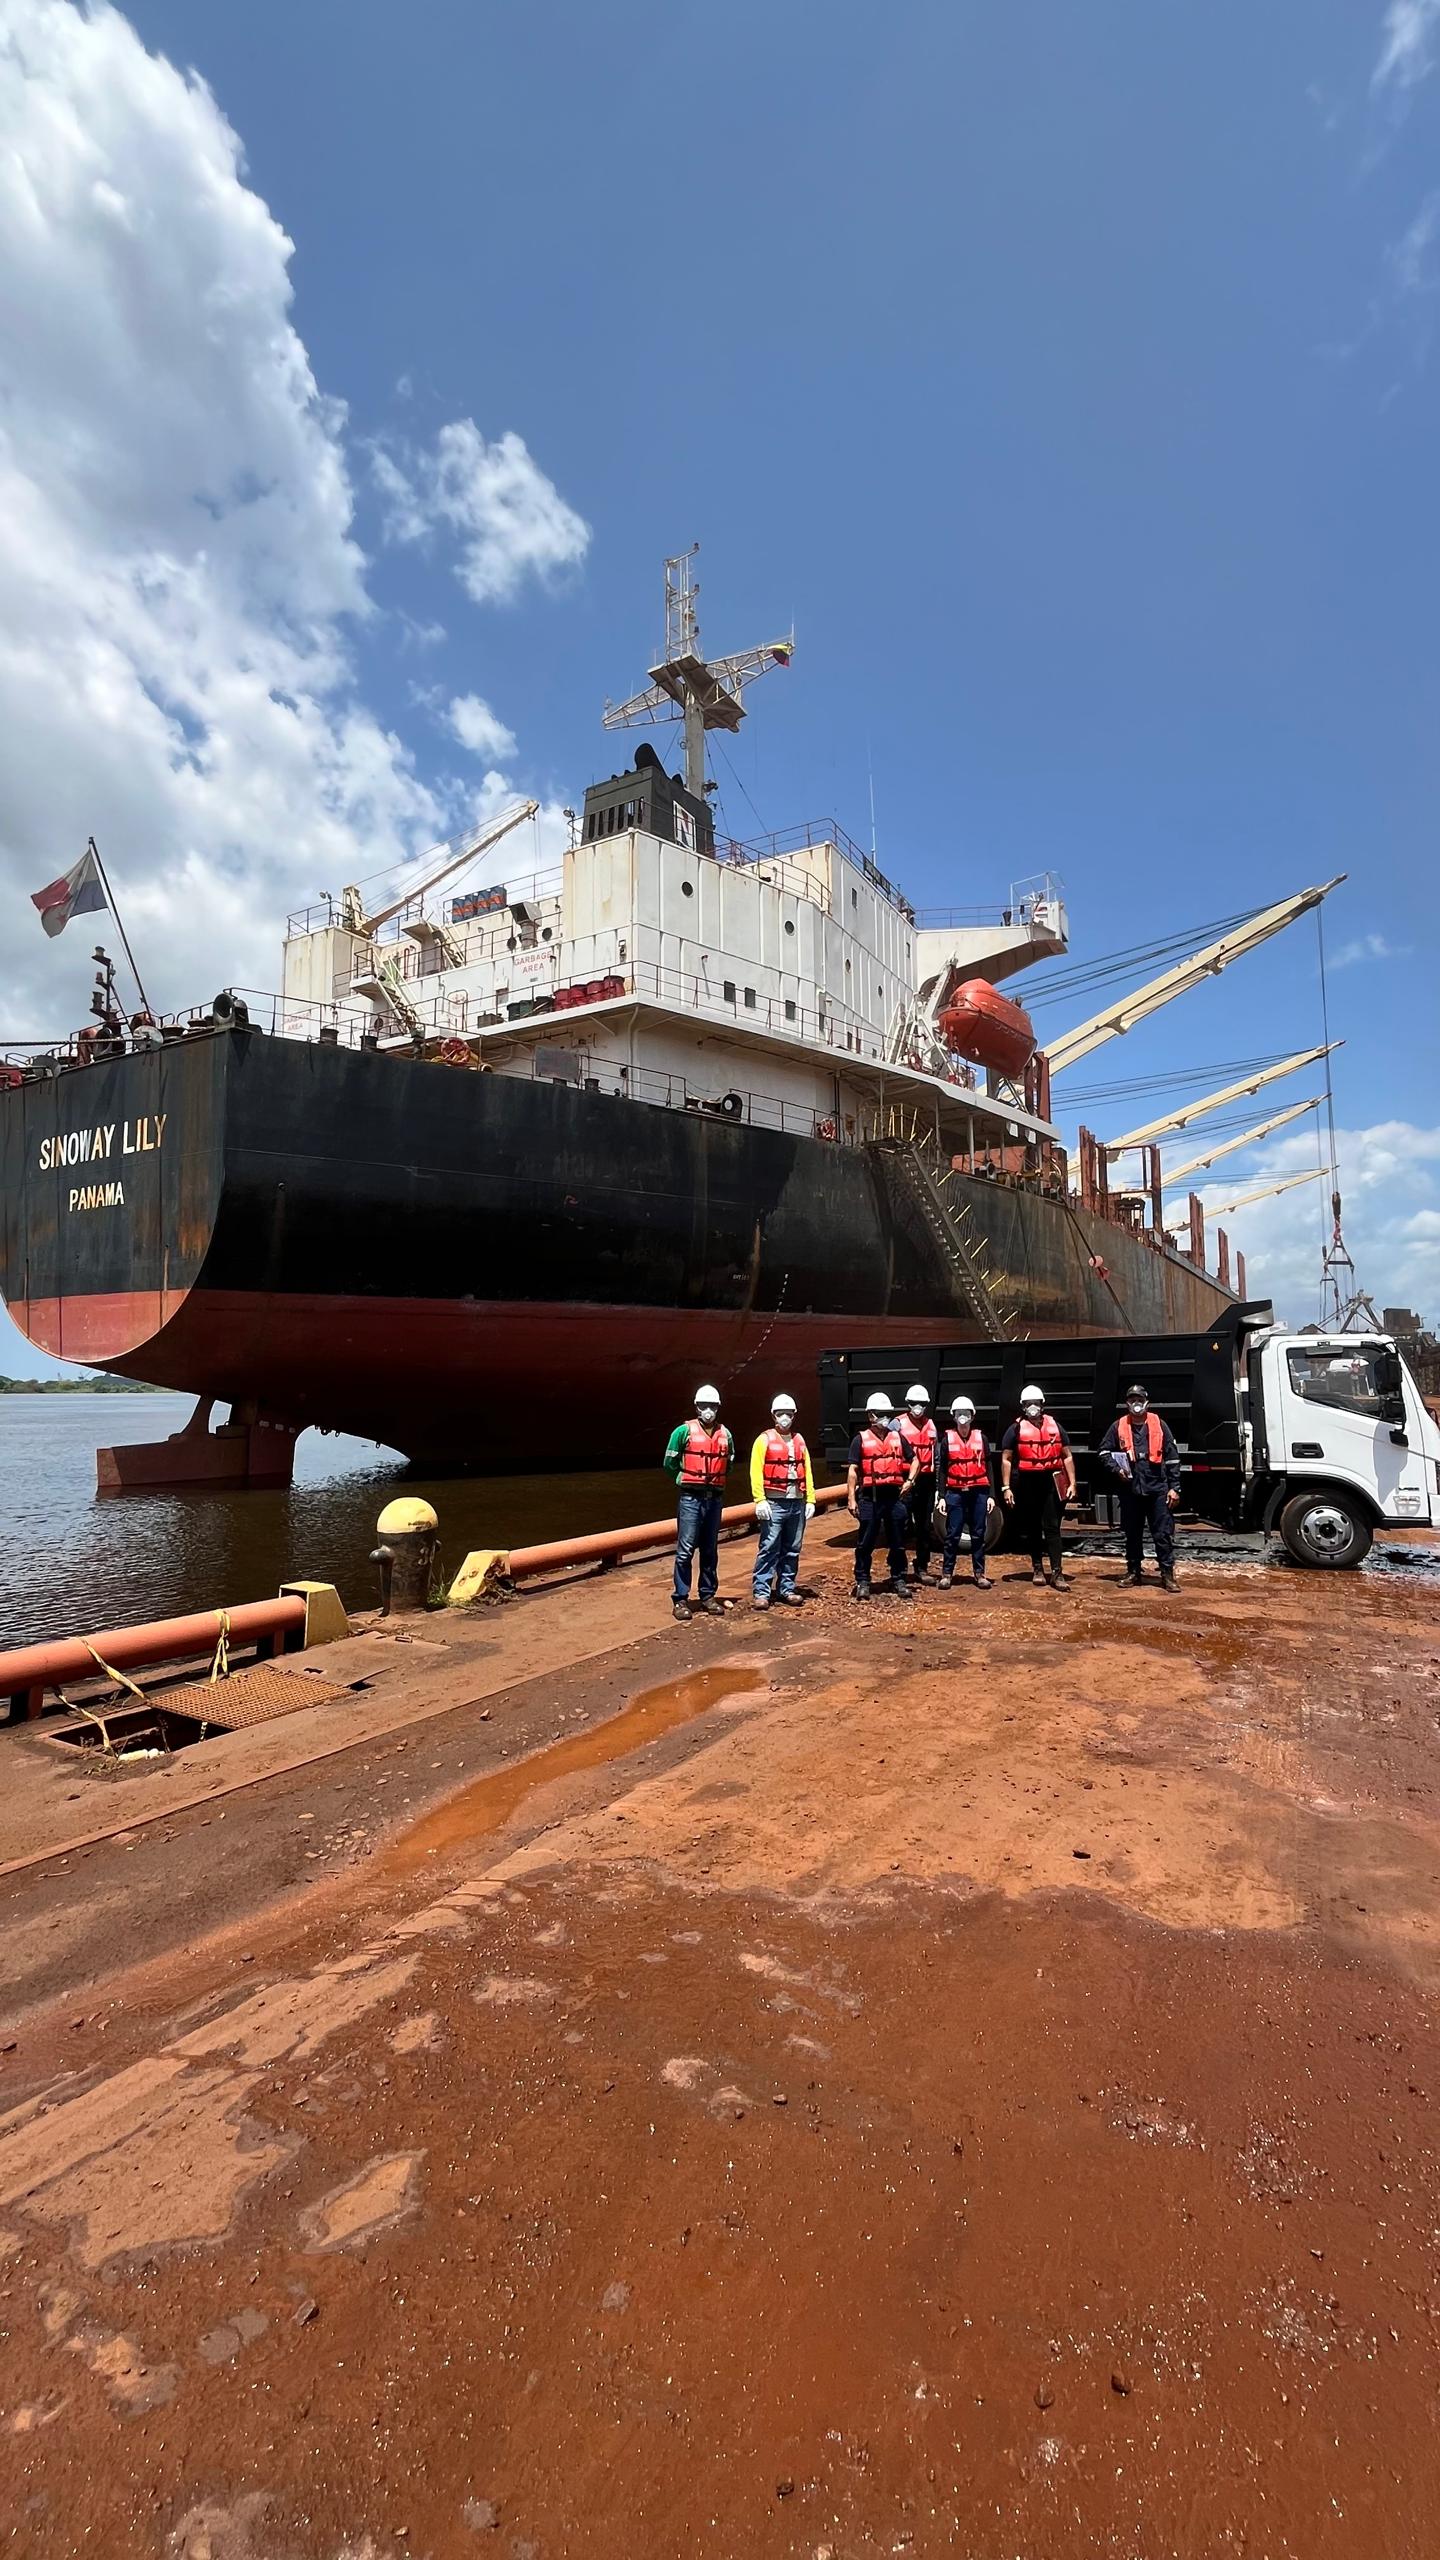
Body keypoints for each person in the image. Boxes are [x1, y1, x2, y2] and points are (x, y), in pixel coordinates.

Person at [1099, 1384, 1182, 1591]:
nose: (1136, 1404)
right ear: (1127, 1403)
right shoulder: (1118, 1426)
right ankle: (1133, 1572)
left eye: (1140, 1400)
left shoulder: (1159, 1425)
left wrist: (1175, 1488)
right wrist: (1116, 1468)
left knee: (1162, 1534)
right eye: (1132, 1400)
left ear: (1147, 1402)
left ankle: (1167, 1575)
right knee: (1132, 1533)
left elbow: (1172, 1458)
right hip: (1131, 1490)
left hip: (1157, 1489)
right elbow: (1103, 1452)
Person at [663, 1384, 734, 1622]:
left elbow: (728, 1465)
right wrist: (683, 1479)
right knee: (685, 1551)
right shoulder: (682, 1432)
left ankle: (707, 1595)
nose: (708, 1410)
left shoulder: (726, 1435)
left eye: (712, 1406)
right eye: (704, 1406)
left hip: (714, 1499)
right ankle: (680, 1599)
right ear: (696, 1407)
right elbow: (669, 1464)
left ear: (718, 1408)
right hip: (691, 1498)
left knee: (710, 1550)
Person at [999, 1384, 1077, 1590]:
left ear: (1042, 1405)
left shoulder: (1055, 1426)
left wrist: (1072, 1483)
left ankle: (1057, 1573)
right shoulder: (1015, 1429)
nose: (1032, 1407)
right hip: (1027, 1482)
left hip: (1050, 1481)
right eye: (1028, 1404)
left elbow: (1067, 1456)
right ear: (1023, 1406)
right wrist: (1006, 1487)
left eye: (1036, 1403)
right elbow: (1006, 1458)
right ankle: (1037, 1569)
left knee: (1052, 1527)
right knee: (1033, 1527)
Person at [846, 1391, 920, 1600]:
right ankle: (863, 1581)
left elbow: (915, 1460)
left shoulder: (897, 1438)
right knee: (865, 1543)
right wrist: (851, 1498)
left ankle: (899, 1579)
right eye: (880, 1413)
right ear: (871, 1415)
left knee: (898, 1542)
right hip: (870, 1497)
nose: (885, 1418)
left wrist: (910, 1481)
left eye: (887, 1413)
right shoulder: (860, 1440)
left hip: (894, 1497)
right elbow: (853, 1470)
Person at [750, 1393, 816, 1610]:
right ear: (773, 1415)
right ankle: (762, 1591)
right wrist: (760, 1500)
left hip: (797, 1502)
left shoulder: (799, 1440)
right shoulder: (763, 1440)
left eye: (788, 1413)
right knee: (769, 1547)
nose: (785, 1417)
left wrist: (810, 1499)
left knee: (793, 1548)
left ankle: (786, 1588)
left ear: (794, 1415)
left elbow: (807, 1470)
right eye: (781, 1413)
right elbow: (756, 1471)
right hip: (774, 1503)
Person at [937, 1396, 994, 1589]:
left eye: (966, 1414)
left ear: (972, 1416)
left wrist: (991, 1495)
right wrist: (942, 1496)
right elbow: (942, 1469)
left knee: (978, 1534)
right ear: (954, 1416)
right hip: (955, 1492)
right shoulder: (947, 1440)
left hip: (978, 1492)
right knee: (953, 1534)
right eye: (959, 1414)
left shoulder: (981, 1439)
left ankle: (979, 1574)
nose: (963, 1417)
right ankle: (947, 1574)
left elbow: (989, 1466)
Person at [896, 1385, 940, 1582]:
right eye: (914, 1403)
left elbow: (935, 1455)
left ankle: (921, 1567)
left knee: (924, 1526)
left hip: (926, 1481)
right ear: (908, 1404)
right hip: (904, 1478)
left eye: (921, 1403)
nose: (918, 1407)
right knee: (900, 1524)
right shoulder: (897, 1424)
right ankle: (899, 1569)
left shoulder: (931, 1425)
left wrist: (937, 1486)